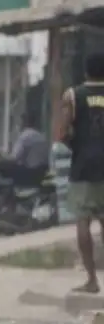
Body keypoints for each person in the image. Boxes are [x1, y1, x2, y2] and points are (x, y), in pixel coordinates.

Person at [57, 53, 104, 293]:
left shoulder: (73, 96)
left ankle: (92, 280)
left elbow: (62, 133)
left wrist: (78, 148)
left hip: (84, 166)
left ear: (86, 71)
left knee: (83, 222)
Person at [0, 110, 50, 215]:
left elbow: (14, 158)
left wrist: (0, 154)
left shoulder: (25, 136)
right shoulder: (41, 137)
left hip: (28, 173)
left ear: (24, 123)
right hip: (40, 174)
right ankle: (7, 202)